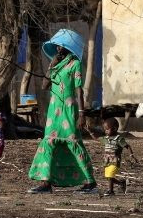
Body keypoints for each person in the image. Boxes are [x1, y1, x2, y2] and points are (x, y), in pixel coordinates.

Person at [27, 28, 97, 194]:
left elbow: (79, 89)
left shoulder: (75, 63)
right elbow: (45, 86)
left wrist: (82, 113)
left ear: (69, 47)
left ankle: (90, 182)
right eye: (57, 45)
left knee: (73, 143)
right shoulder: (56, 63)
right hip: (54, 111)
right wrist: (51, 65)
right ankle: (45, 183)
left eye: (62, 45)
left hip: (69, 109)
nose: (58, 48)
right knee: (49, 143)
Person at [97, 117, 135, 196]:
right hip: (107, 161)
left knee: (110, 175)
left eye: (107, 129)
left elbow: (127, 146)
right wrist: (90, 132)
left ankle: (111, 191)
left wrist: (132, 155)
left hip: (115, 161)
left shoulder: (119, 139)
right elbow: (97, 139)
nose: (105, 131)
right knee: (108, 177)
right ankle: (121, 183)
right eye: (105, 129)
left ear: (114, 129)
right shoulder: (106, 139)